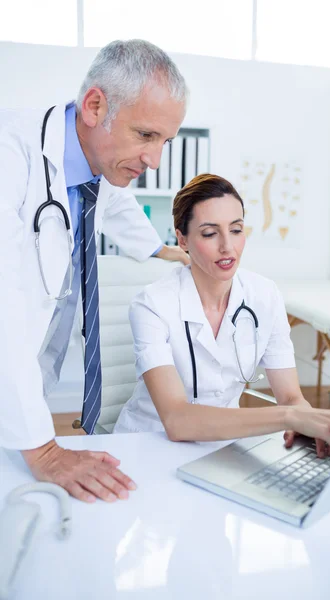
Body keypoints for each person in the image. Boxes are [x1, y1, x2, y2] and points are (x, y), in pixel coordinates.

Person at [0, 39, 189, 503]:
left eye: (165, 141)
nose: (155, 160)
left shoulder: (98, 163)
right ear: (94, 105)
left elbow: (118, 203)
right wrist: (45, 450)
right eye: (146, 135)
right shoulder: (11, 153)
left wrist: (160, 250)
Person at [114, 174, 330, 453]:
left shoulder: (264, 295)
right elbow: (176, 420)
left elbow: (291, 397)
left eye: (236, 230)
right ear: (182, 239)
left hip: (224, 445)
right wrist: (288, 417)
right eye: (210, 233)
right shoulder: (152, 304)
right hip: (149, 443)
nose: (227, 246)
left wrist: (307, 425)